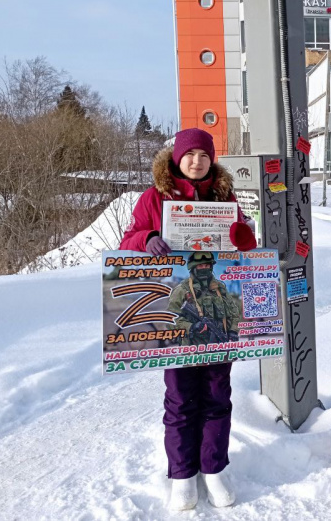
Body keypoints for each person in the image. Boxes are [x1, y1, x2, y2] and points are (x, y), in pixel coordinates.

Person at [120, 128, 257, 511]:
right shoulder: (155, 197)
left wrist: (243, 236)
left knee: (217, 395)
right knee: (180, 398)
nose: (197, 161)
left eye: (204, 155)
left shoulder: (223, 196)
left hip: (219, 322)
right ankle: (181, 474)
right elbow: (128, 240)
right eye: (190, 154)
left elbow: (245, 242)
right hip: (177, 322)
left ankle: (213, 468)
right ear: (176, 157)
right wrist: (147, 237)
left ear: (212, 160)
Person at [168, 251, 242, 346]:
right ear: (193, 267)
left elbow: (234, 312)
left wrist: (233, 330)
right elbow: (170, 320)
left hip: (221, 347)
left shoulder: (219, 288)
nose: (204, 268)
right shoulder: (182, 290)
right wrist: (191, 327)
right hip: (195, 350)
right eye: (200, 266)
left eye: (207, 266)